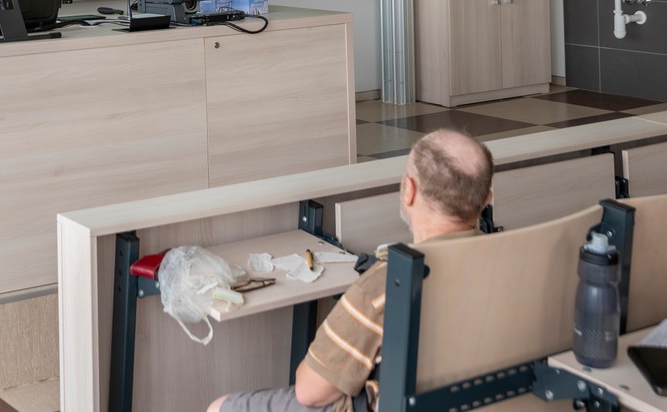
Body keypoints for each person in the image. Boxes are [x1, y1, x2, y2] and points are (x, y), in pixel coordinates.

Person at [207, 129, 494, 412]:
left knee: (221, 408)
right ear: (486, 199)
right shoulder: (512, 265)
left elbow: (310, 391)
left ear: (409, 191)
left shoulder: (390, 284)